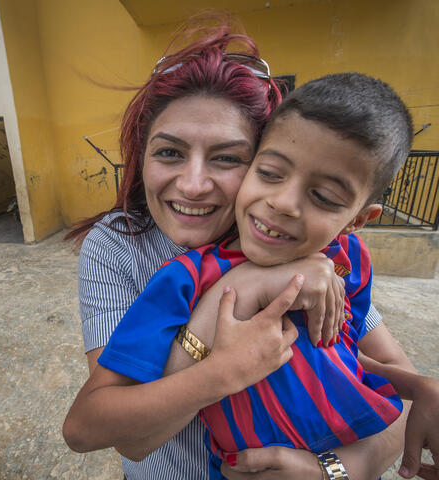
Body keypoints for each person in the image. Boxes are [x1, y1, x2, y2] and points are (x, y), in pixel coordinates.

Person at [63, 16, 422, 479]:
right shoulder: (120, 247)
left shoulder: (311, 251)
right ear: (140, 157)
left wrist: (332, 470)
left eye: (228, 158)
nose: (193, 186)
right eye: (169, 152)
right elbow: (124, 438)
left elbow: (391, 387)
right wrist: (240, 293)